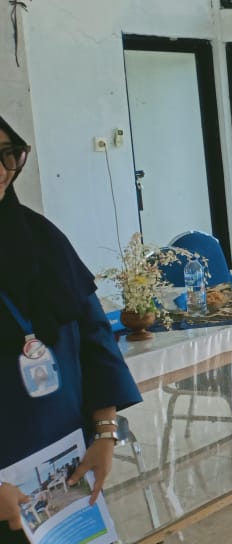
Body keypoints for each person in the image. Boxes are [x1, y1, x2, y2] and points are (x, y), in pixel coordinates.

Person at [0, 114, 143, 543]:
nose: (2, 170)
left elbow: (94, 336)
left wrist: (104, 432)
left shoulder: (41, 239)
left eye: (8, 155)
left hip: (63, 465)